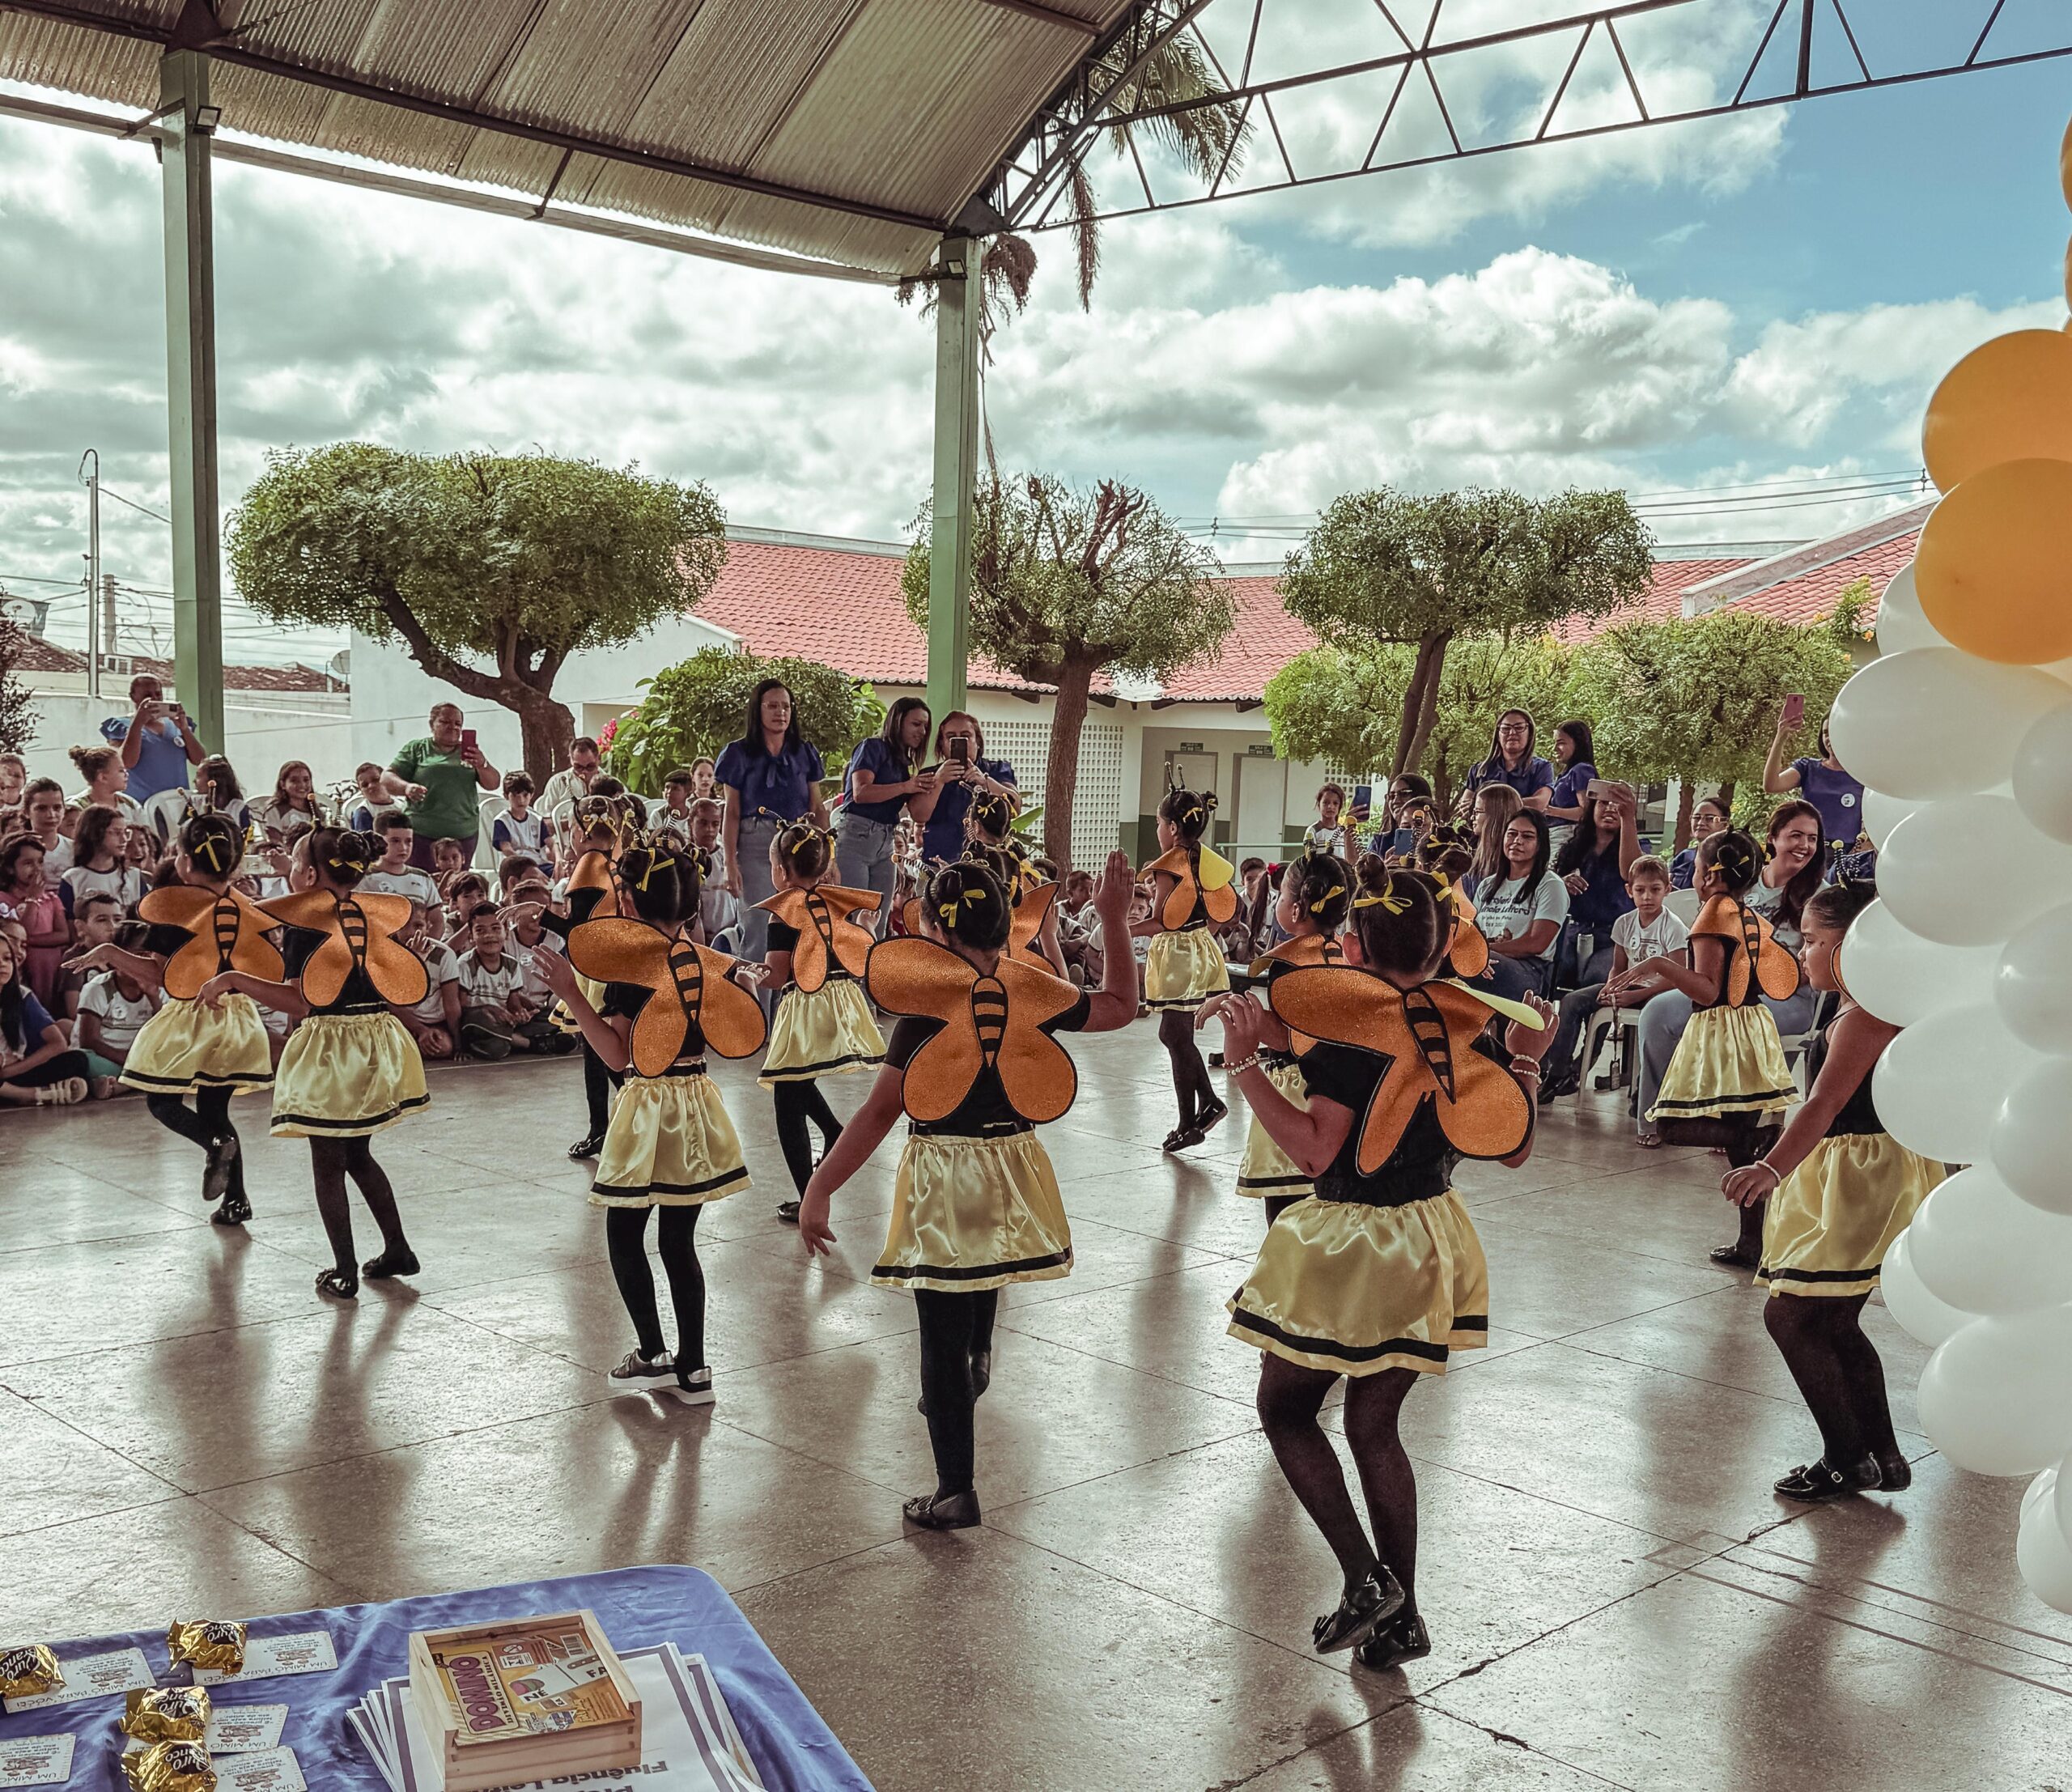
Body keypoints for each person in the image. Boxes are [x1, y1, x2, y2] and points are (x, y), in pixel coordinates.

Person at [1210, 867, 1556, 1672]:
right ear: (1439, 947)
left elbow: (1311, 1150)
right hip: (1428, 1234)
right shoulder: (1461, 1024)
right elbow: (1514, 1148)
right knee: (1372, 1424)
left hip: (1350, 1245)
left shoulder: (1348, 1043)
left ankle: (1367, 1581)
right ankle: (1403, 1622)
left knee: (1286, 1411)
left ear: (1353, 948)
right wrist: (1528, 1059)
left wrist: (1242, 1065)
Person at [796, 851, 1142, 1527]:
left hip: (945, 1176)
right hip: (1012, 1165)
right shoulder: (1031, 987)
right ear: (1002, 928)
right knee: (984, 1275)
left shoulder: (925, 1011)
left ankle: (955, 1488)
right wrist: (1114, 922)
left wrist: (819, 1188)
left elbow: (875, 1115)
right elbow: (1122, 1007)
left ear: (934, 929)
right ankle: (979, 1359)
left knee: (937, 1335)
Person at [1724, 878, 1942, 1501]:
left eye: (1814, 940)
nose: (1803, 951)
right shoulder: (1855, 1002)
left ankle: (1846, 1457)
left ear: (1856, 945)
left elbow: (1822, 1105)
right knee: (1837, 1323)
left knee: (1790, 1314)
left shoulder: (1869, 1013)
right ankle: (1883, 1454)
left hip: (1858, 1177)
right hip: (1853, 1170)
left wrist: (1770, 1168)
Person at [533, 834, 767, 1403]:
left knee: (624, 1233)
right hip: (696, 1103)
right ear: (692, 909)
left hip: (646, 1107)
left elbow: (618, 1057)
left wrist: (571, 992)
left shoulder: (633, 970)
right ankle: (695, 1369)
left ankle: (652, 1351)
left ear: (629, 906)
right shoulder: (704, 961)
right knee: (680, 1243)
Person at [208, 827, 431, 1299]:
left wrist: (233, 978)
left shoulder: (307, 923)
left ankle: (344, 1269)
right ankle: (397, 1250)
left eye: (291, 862)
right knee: (357, 1153)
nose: (288, 871)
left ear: (309, 873)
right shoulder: (365, 913)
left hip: (336, 1049)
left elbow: (302, 1001)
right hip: (376, 1040)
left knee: (328, 1163)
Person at [76, 813, 277, 1221]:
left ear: (184, 862)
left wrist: (113, 954)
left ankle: (215, 1144)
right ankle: (236, 1200)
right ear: (235, 864)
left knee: (161, 1100)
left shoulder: (174, 910)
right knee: (216, 1109)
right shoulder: (247, 907)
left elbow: (164, 977)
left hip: (194, 1018)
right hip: (238, 1018)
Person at [1618, 828, 1802, 1261]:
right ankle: (1752, 1241)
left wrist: (1659, 963)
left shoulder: (1711, 914)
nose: (1695, 876)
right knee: (1742, 1139)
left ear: (1710, 876)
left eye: (1698, 868)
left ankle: (1759, 1138)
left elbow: (1706, 989)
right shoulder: (1747, 912)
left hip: (1723, 1032)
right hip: (1753, 1025)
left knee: (1669, 1126)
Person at [756, 821, 888, 1225]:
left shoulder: (783, 915)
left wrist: (742, 973)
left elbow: (777, 975)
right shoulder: (837, 900)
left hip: (806, 1010)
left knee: (786, 1100)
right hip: (843, 1003)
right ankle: (832, 1132)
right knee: (795, 1085)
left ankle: (807, 1195)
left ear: (779, 870)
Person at [1223, 852, 1352, 1220]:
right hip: (1334, 1090)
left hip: (1296, 1090)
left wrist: (1244, 1015)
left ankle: (1281, 1275)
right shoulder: (1344, 953)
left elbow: (1287, 1038)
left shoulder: (1287, 963)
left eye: (1280, 898)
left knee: (1283, 1207)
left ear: (1295, 910)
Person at [1536, 855, 1688, 1102]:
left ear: (1667, 890)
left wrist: (1636, 995)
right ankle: (1560, 1073)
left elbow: (1677, 977)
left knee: (1652, 1018)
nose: (1647, 897)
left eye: (1655, 890)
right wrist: (1611, 988)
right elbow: (1618, 967)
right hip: (1629, 987)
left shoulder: (1673, 927)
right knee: (1573, 1001)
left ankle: (1645, 1090)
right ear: (1629, 891)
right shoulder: (1624, 923)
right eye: (1640, 890)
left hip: (1660, 994)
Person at [1139, 785, 1237, 1153]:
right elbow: (1226, 909)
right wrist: (1201, 937)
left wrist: (1118, 926)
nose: (1158, 831)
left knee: (1175, 1035)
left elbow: (1162, 921)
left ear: (1173, 829)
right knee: (1175, 1036)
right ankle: (1205, 1105)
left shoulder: (1170, 865)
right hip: (1199, 949)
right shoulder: (1205, 858)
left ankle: (1192, 1118)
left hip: (1178, 955)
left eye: (1160, 824)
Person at [715, 680, 826, 974]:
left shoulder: (804, 752)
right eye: (773, 706)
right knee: (758, 928)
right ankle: (757, 1014)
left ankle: (789, 1015)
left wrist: (829, 854)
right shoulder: (738, 753)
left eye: (786, 706)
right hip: (755, 841)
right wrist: (729, 862)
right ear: (758, 709)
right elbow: (732, 811)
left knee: (799, 929)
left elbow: (817, 806)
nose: (781, 713)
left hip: (800, 842)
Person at [836, 697, 935, 930]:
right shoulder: (873, 747)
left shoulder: (903, 763)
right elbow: (861, 792)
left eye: (925, 726)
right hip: (857, 834)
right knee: (854, 919)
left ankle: (874, 965)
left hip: (887, 838)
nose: (922, 731)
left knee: (879, 918)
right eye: (916, 724)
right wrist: (906, 787)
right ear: (898, 721)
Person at [382, 703, 500, 870]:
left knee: (457, 888)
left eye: (458, 724)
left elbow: (493, 784)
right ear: (432, 724)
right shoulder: (417, 748)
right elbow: (387, 778)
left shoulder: (468, 752)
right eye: (445, 722)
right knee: (422, 883)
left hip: (463, 836)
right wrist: (407, 788)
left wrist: (482, 765)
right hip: (422, 834)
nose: (453, 727)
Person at [1549, 780, 1641, 987]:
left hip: (1613, 938)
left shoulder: (1637, 845)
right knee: (1553, 972)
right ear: (1592, 808)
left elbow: (1632, 872)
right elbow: (1550, 888)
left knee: (1595, 978)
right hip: (1572, 933)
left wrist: (1629, 819)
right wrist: (1562, 884)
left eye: (1616, 805)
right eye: (1603, 803)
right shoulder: (1573, 849)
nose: (1609, 809)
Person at [1471, 812, 1567, 1004]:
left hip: (1529, 970)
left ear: (1540, 844)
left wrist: (1484, 951)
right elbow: (1471, 931)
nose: (1517, 841)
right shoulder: (1487, 885)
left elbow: (1536, 943)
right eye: (1512, 834)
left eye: (1527, 836)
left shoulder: (1550, 885)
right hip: (1485, 959)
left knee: (1468, 971)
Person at [454, 901, 567, 1059]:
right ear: (471, 937)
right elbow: (461, 1007)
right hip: (479, 1024)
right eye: (480, 931)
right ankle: (529, 1044)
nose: (489, 936)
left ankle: (512, 1039)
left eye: (496, 929)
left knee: (553, 1016)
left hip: (505, 1023)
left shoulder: (511, 964)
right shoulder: (465, 964)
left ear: (506, 932)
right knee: (488, 1034)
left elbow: (513, 1001)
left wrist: (520, 1013)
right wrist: (490, 1009)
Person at [906, 711, 1015, 870]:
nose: (958, 740)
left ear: (977, 741)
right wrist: (939, 781)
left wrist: (985, 782)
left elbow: (1015, 805)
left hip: (989, 865)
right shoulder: (929, 775)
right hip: (938, 865)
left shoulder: (998, 770)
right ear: (942, 745)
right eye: (950, 737)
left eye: (966, 736)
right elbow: (919, 816)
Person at [0, 927, 91, 1106]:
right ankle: (28, 1095)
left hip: (14, 1072)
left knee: (77, 1061)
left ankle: (12, 1093)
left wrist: (9, 1071)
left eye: (7, 958)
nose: (3, 964)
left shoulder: (22, 996)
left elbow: (58, 1044)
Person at [72, 929, 160, 1098]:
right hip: (107, 1059)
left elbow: (166, 1035)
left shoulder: (158, 988)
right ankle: (134, 1079)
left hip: (142, 1060)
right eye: (136, 956)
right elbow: (88, 1041)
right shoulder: (99, 988)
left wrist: (153, 996)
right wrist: (129, 1061)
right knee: (80, 1060)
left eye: (149, 956)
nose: (143, 962)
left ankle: (121, 1085)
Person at [1764, 708, 1864, 855]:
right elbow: (1771, 785)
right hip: (1807, 851)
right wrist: (1781, 737)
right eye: (1825, 733)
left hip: (1846, 856)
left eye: (1834, 731)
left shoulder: (1863, 776)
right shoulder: (1808, 768)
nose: (1829, 738)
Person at [103, 673, 205, 803]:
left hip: (177, 803)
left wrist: (184, 729)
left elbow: (200, 760)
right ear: (133, 697)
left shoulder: (175, 725)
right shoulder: (123, 726)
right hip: (142, 804)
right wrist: (138, 723)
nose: (154, 698)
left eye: (158, 694)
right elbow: (127, 763)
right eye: (147, 695)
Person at [0, 831, 69, 1009]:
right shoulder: (3, 900)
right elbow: (24, 931)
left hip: (50, 971)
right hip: (22, 971)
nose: (37, 868)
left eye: (40, 862)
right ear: (10, 868)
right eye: (28, 863)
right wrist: (32, 900)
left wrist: (27, 942)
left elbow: (63, 935)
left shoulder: (51, 899)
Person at [397, 902, 462, 1064]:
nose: (411, 932)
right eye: (404, 925)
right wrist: (420, 1030)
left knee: (443, 1046)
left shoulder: (444, 954)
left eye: (418, 925)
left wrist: (459, 1044)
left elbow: (451, 1004)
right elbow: (392, 1004)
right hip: (403, 1021)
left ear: (428, 927)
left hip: (434, 1021)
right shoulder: (389, 952)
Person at [1458, 710, 1553, 816]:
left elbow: (1539, 803)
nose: (1512, 733)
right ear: (1498, 735)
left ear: (1530, 733)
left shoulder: (1542, 767)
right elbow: (1466, 806)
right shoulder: (1480, 770)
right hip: (1484, 831)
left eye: (1519, 728)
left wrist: (1487, 807)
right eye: (1505, 728)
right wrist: (1515, 805)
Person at [60, 805, 144, 918]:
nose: (124, 839)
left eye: (126, 833)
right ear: (95, 833)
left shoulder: (134, 876)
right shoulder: (73, 879)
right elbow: (71, 926)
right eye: (116, 832)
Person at [359, 813, 441, 911]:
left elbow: (436, 921)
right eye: (395, 841)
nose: (403, 848)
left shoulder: (423, 878)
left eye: (408, 841)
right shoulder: (363, 878)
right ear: (378, 841)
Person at [1462, 784, 1522, 899]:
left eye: (1477, 812)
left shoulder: (1517, 864)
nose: (1472, 818)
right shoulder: (1475, 862)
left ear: (1495, 815)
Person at [487, 771, 549, 877]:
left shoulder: (536, 819)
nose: (521, 800)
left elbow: (551, 844)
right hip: (514, 866)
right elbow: (507, 850)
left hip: (537, 863)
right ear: (506, 796)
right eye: (515, 796)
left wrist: (559, 861)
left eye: (525, 795)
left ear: (531, 795)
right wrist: (530, 868)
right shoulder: (502, 821)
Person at [67, 743, 143, 827]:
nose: (126, 774)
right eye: (121, 770)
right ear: (103, 777)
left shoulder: (130, 804)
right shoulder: (76, 809)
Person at [1542, 720, 1599, 826]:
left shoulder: (1582, 770)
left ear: (1578, 744)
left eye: (1561, 743)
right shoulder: (1567, 773)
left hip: (1568, 834)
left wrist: (1551, 811)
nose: (1555, 748)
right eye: (1555, 743)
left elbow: (1586, 812)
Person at [1671, 793, 1730, 890]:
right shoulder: (1683, 857)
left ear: (1725, 824)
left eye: (1710, 818)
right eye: (1697, 818)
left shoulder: (1730, 859)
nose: (1701, 823)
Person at [254, 762, 321, 842]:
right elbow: (275, 843)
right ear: (283, 784)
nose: (302, 785)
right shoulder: (275, 811)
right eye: (294, 781)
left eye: (306, 780)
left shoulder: (316, 811)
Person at [539, 736, 601, 820]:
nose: (584, 771)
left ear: (598, 759)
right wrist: (573, 822)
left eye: (590, 766)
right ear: (571, 760)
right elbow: (544, 821)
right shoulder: (557, 783)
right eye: (578, 767)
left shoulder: (613, 784)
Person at [192, 756, 250, 836]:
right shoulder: (194, 803)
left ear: (214, 779)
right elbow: (181, 832)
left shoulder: (238, 808)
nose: (194, 781)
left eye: (198, 775)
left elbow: (248, 838)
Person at [347, 762, 404, 834]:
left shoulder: (402, 804)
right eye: (365, 785)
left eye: (375, 780)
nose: (371, 786)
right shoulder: (363, 813)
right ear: (361, 792)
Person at [1305, 784, 1353, 855]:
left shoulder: (1344, 832)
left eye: (1335, 803)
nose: (1330, 806)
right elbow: (1310, 859)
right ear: (1319, 805)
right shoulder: (1313, 831)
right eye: (1325, 803)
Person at [652, 767, 697, 839]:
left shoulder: (695, 816)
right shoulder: (659, 815)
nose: (669, 792)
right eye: (667, 787)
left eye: (675, 789)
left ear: (687, 793)